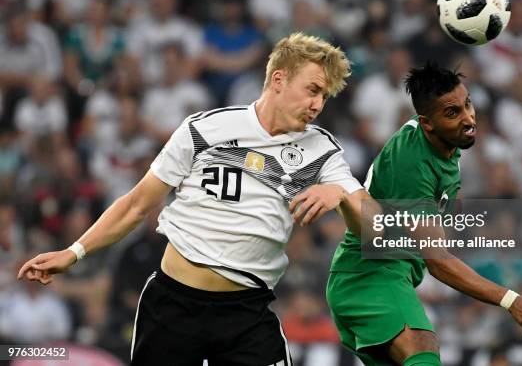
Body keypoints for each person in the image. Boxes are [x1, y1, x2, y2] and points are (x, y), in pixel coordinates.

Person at [18, 32, 368, 366]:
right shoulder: (204, 129)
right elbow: (137, 204)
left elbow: (374, 224)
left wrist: (339, 192)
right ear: (278, 80)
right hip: (172, 303)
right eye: (313, 90)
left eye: (324, 96)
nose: (318, 104)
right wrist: (73, 252)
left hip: (246, 313)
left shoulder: (321, 151)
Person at [326, 62, 522, 366]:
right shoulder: (412, 165)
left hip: (387, 278)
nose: (468, 118)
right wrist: (510, 300)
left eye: (467, 104)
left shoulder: (445, 141)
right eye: (453, 113)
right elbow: (438, 263)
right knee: (423, 348)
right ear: (426, 123)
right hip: (370, 277)